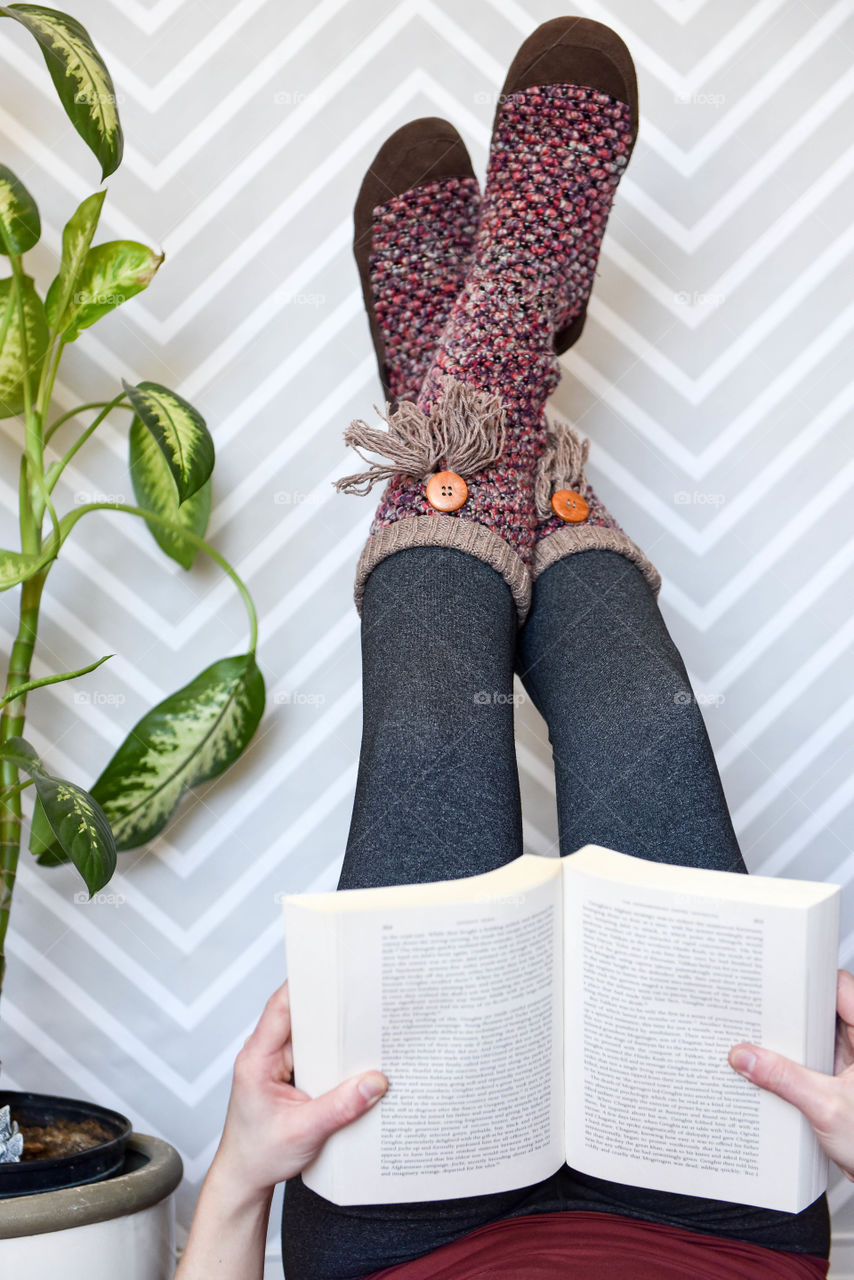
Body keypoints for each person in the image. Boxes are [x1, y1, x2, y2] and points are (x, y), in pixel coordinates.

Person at [177, 16, 842, 1279]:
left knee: (431, 702)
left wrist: (233, 1179)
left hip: (401, 1219)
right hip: (717, 1204)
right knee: (639, 709)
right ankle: (505, 341)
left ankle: (475, 377)